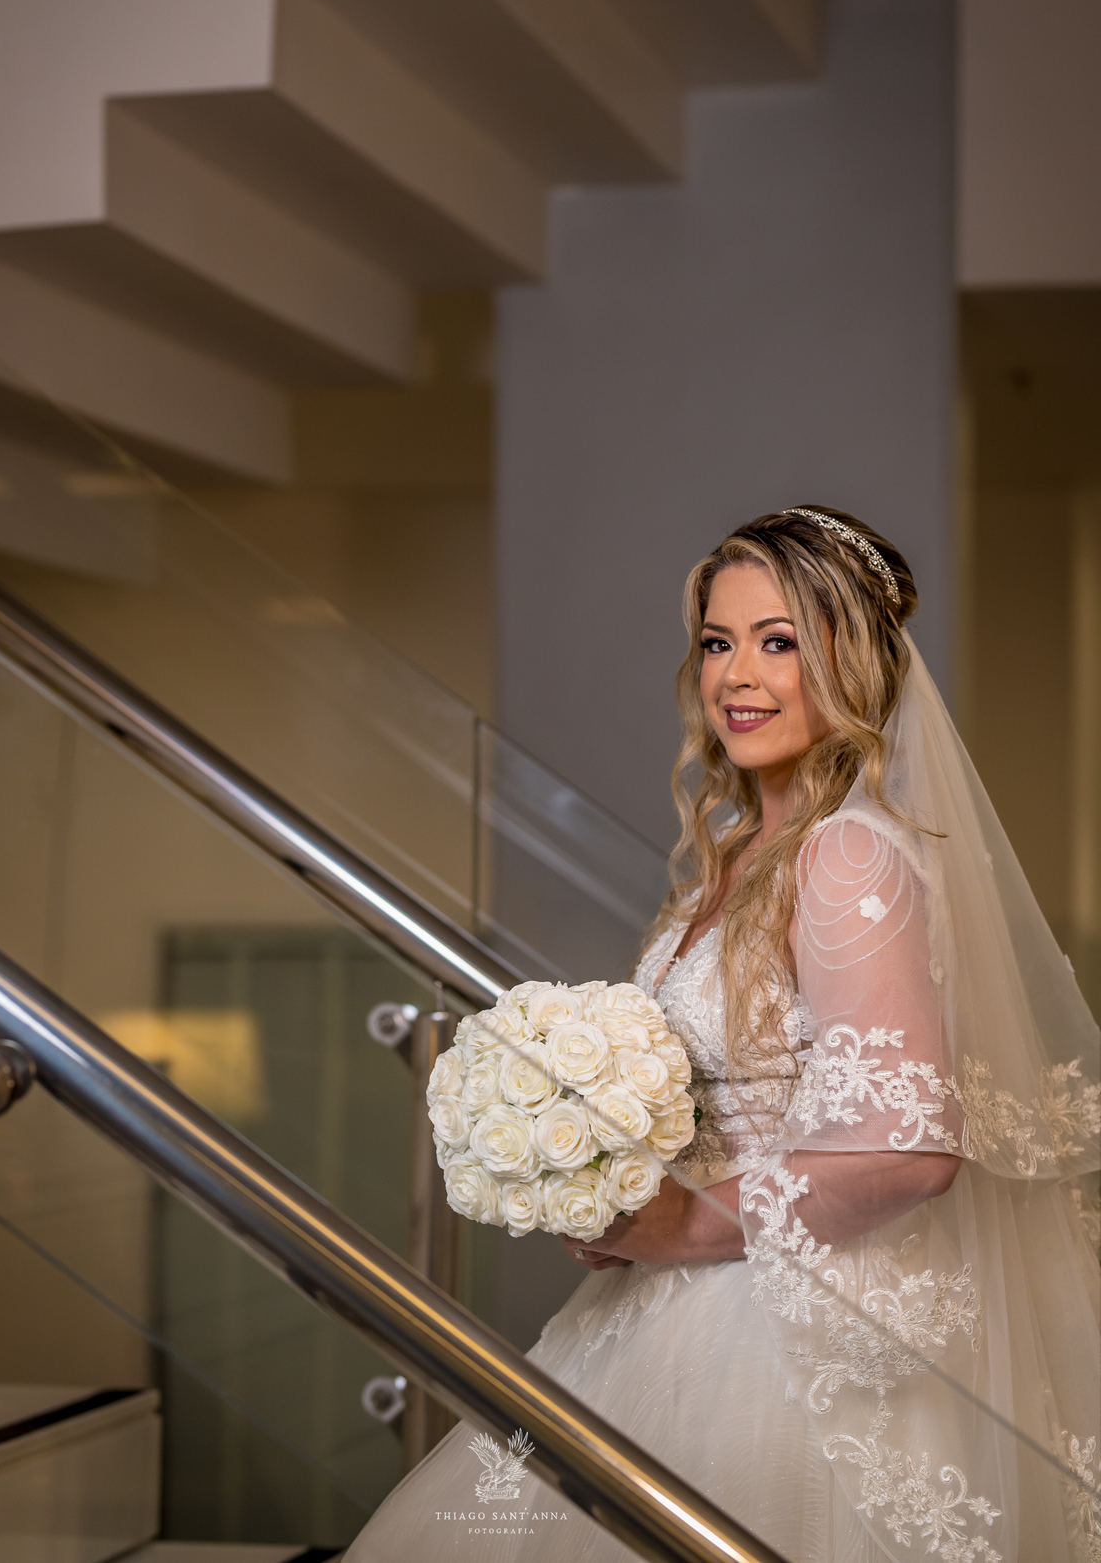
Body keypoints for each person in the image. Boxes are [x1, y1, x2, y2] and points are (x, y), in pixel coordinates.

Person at [344, 508, 1101, 1563]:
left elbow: (911, 1149)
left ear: (851, 661)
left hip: (780, 1332)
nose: (736, 675)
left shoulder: (849, 856)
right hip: (669, 1301)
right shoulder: (740, 850)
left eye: (777, 641)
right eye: (716, 642)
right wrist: (599, 1178)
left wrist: (680, 1223)